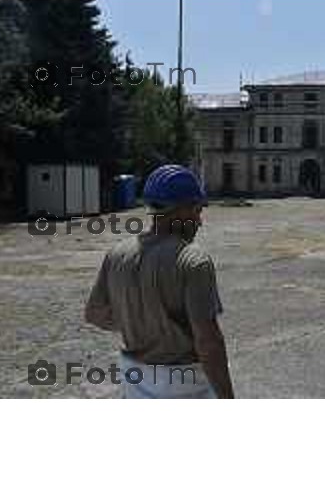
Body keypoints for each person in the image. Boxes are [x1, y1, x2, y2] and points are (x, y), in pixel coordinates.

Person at [85, 165, 234, 399]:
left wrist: (137, 321)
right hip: (184, 384)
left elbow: (94, 313)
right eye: (197, 210)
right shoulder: (192, 260)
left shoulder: (116, 254)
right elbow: (208, 341)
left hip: (135, 380)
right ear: (180, 210)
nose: (199, 221)